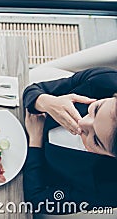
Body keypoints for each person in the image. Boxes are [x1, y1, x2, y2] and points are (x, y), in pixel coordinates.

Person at [23, 67, 117, 214]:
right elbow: (34, 89)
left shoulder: (108, 188)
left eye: (96, 140)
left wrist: (36, 140)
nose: (82, 123)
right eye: (96, 109)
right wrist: (45, 102)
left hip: (29, 173)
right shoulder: (104, 80)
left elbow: (38, 202)